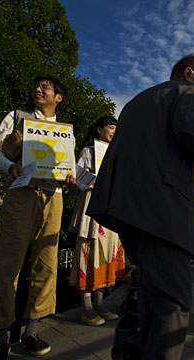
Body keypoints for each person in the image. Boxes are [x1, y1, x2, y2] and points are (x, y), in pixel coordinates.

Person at [86, 55, 194, 360]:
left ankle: (125, 358)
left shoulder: (139, 100)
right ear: (189, 73)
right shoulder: (190, 92)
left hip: (122, 206)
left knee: (143, 291)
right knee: (171, 300)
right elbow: (191, 131)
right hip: (162, 206)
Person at [0, 75, 75, 360]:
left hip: (54, 197)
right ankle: (0, 336)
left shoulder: (66, 132)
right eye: (37, 86)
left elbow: (64, 166)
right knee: (9, 261)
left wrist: (70, 177)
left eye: (45, 87)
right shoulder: (18, 118)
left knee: (46, 264)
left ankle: (32, 331)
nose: (38, 89)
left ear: (57, 97)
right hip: (22, 193)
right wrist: (10, 167)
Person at [68, 116, 125, 326]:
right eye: (111, 127)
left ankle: (100, 303)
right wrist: (91, 179)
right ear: (99, 129)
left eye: (116, 129)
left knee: (108, 253)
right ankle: (87, 307)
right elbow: (75, 173)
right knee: (88, 252)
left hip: (111, 206)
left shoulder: (117, 153)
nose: (113, 132)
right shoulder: (88, 151)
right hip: (92, 203)